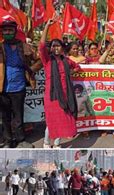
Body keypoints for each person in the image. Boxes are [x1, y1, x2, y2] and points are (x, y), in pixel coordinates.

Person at [40, 18, 81, 147]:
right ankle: (46, 143)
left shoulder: (66, 60)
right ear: (50, 48)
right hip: (52, 96)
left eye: (58, 46)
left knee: (63, 121)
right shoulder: (47, 60)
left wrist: (72, 73)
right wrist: (47, 26)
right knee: (52, 121)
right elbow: (41, 45)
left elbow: (77, 67)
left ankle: (57, 143)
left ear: (62, 48)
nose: (56, 48)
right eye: (53, 46)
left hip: (65, 94)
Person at [0, 20, 36, 148]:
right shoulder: (0, 47)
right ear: (2, 32)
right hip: (2, 88)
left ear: (15, 32)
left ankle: (21, 140)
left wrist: (32, 70)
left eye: (10, 30)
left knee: (19, 115)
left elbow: (38, 59)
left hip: (19, 87)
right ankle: (8, 141)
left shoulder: (24, 46)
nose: (8, 32)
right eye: (5, 30)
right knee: (5, 116)